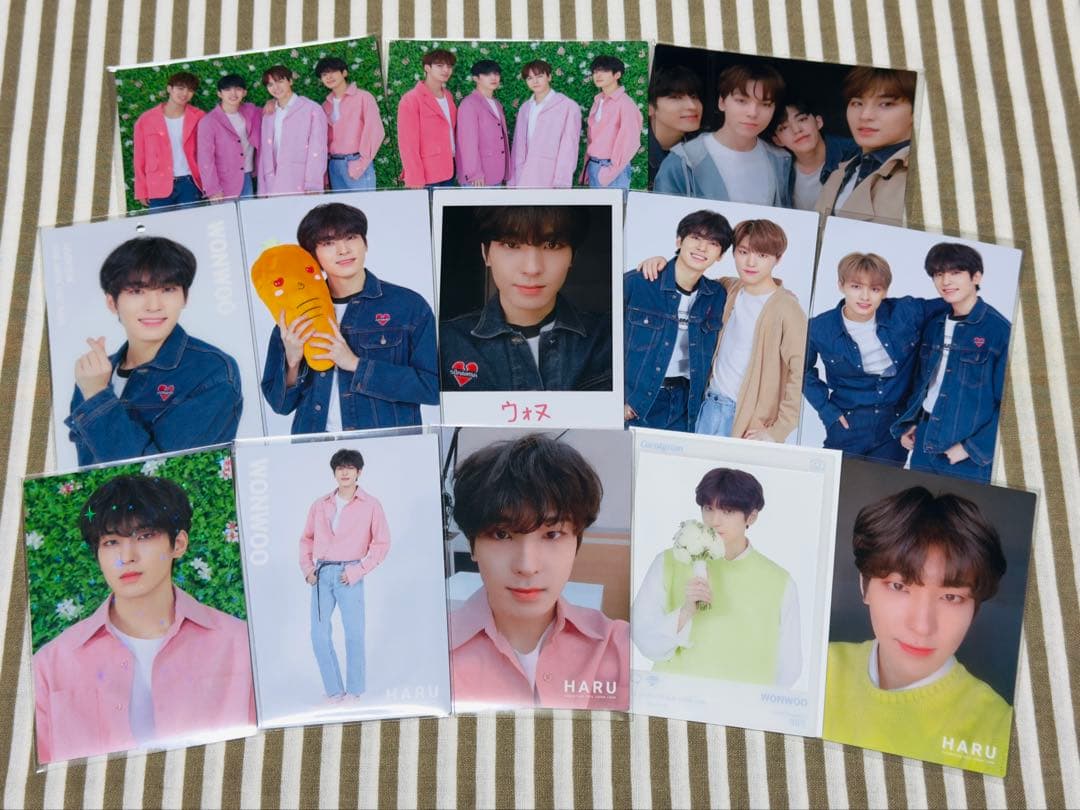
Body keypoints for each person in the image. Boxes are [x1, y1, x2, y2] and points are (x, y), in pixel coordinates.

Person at [32, 475, 255, 763]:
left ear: (178, 544)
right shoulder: (50, 665)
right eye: (111, 542)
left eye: (145, 536)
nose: (127, 556)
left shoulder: (241, 644)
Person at [823, 486, 1012, 776]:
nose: (922, 626)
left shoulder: (998, 727)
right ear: (865, 586)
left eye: (951, 597)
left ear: (975, 608)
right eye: (899, 586)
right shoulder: (818, 667)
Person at [449, 433, 629, 710]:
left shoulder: (623, 649)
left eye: (552, 534)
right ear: (472, 545)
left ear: (577, 542)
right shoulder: (430, 651)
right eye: (501, 534)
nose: (527, 566)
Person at [261, 202, 439, 433]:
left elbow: (434, 388)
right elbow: (280, 406)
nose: (343, 250)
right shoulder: (296, 312)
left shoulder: (408, 306)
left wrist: (356, 364)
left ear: (365, 243)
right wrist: (293, 362)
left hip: (386, 445)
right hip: (314, 444)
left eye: (351, 237)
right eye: (328, 243)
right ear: (312, 256)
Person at [65, 237, 242, 466]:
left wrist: (98, 397)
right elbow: (88, 472)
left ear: (185, 297)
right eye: (137, 291)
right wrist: (93, 390)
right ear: (112, 302)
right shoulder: (92, 377)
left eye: (167, 289)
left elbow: (158, 475)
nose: (154, 306)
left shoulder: (212, 373)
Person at [638, 219, 807, 441]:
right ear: (733, 252)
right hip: (706, 407)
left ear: (778, 258)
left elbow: (800, 372)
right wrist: (660, 263)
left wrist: (778, 430)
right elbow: (687, 280)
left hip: (747, 419)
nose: (751, 262)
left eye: (762, 255)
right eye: (743, 252)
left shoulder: (787, 307)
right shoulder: (728, 288)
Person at [632, 467, 801, 686]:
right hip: (675, 699)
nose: (714, 520)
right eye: (708, 508)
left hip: (742, 705)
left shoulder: (780, 582)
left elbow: (789, 667)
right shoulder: (669, 561)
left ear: (751, 516)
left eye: (727, 511)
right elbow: (643, 637)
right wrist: (685, 612)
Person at [438, 206, 611, 392]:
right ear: (486, 253)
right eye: (512, 244)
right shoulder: (444, 343)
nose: (532, 268)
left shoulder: (610, 339)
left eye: (551, 245)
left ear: (572, 256)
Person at [803, 252, 949, 463]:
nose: (865, 297)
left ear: (885, 292)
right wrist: (827, 411)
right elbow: (799, 370)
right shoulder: (819, 328)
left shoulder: (905, 313)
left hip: (894, 426)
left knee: (883, 484)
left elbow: (956, 302)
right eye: (856, 287)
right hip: (848, 423)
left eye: (874, 289)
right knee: (837, 480)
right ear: (841, 285)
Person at [891, 243, 1010, 483]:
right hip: (924, 439)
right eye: (938, 274)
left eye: (955, 272)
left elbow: (1011, 406)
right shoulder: (934, 326)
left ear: (976, 277)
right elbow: (923, 384)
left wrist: (971, 448)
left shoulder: (1000, 331)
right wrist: (911, 423)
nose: (945, 281)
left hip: (966, 452)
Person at [623, 210, 733, 432]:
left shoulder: (718, 295)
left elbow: (754, 284)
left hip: (685, 406)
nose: (702, 248)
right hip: (635, 401)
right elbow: (601, 342)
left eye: (713, 243)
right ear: (679, 240)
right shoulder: (638, 283)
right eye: (695, 237)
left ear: (720, 255)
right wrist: (614, 399)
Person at [299, 448, 390, 701]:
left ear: (359, 472)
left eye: (350, 468)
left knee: (354, 634)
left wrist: (357, 571)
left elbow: (382, 544)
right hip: (321, 574)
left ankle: (354, 691)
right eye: (340, 468)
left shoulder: (371, 505)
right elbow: (306, 539)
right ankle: (334, 691)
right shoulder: (320, 504)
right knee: (318, 635)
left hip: (350, 574)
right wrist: (308, 569)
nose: (345, 472)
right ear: (334, 472)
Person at [653, 63, 791, 206]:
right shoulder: (683, 161)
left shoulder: (780, 161)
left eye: (765, 104)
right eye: (741, 101)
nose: (753, 113)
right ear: (722, 102)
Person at [814, 67, 915, 224]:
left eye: (886, 104)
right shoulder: (840, 173)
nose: (865, 115)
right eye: (857, 103)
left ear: (916, 111)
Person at [769, 94, 858, 211]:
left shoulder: (853, 154)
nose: (797, 130)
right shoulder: (779, 169)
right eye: (784, 127)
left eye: (802, 119)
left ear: (818, 121)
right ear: (777, 140)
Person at [133, 71, 205, 208]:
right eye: (180, 88)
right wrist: (141, 190)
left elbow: (207, 153)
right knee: (160, 223)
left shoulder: (199, 117)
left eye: (190, 90)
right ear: (169, 89)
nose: (185, 93)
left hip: (190, 184)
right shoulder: (146, 120)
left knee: (193, 221)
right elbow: (139, 158)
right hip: (157, 185)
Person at [507, 60, 582, 188]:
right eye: (530, 78)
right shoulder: (525, 108)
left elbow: (569, 147)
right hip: (522, 176)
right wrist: (513, 180)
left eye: (539, 76)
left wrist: (562, 181)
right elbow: (517, 146)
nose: (535, 81)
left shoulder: (568, 106)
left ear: (549, 77)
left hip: (549, 177)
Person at [257, 65, 328, 196]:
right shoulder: (268, 113)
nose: (276, 88)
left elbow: (318, 148)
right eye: (270, 84)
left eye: (280, 81)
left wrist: (313, 184)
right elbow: (264, 153)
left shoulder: (311, 109)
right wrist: (262, 189)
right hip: (273, 185)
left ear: (290, 81)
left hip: (301, 183)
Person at [316, 56, 385, 191]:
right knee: (341, 205)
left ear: (344, 73)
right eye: (324, 74)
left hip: (356, 162)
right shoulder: (325, 105)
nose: (329, 77)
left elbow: (375, 131)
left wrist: (361, 163)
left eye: (333, 72)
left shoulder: (363, 97)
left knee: (364, 204)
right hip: (334, 166)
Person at [396, 49, 458, 188]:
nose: (446, 70)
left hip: (450, 168)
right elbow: (407, 143)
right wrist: (414, 177)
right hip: (427, 173)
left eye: (449, 66)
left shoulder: (448, 96)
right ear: (427, 68)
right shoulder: (411, 99)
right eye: (440, 66)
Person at [581, 55, 643, 190]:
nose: (598, 75)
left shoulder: (625, 103)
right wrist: (589, 167)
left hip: (612, 171)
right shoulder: (598, 101)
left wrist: (609, 172)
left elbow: (630, 142)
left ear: (617, 75)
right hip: (594, 166)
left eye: (604, 71)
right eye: (595, 71)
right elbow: (593, 138)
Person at [197, 74, 262, 200]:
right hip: (223, 182)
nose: (233, 93)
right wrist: (213, 189)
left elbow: (270, 111)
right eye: (227, 89)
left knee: (248, 212)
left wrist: (271, 102)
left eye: (238, 89)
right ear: (219, 94)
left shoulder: (251, 111)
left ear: (244, 92)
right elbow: (205, 158)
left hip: (247, 176)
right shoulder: (208, 121)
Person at [455, 59, 510, 187]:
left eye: (496, 73)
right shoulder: (469, 104)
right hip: (478, 178)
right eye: (487, 74)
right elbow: (467, 142)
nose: (493, 77)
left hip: (496, 172)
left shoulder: (496, 104)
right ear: (476, 78)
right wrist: (474, 173)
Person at [646, 66, 704, 189]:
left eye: (694, 96)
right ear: (650, 107)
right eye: (676, 97)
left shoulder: (704, 152)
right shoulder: (634, 155)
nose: (692, 106)